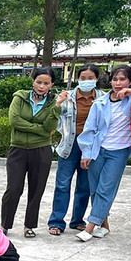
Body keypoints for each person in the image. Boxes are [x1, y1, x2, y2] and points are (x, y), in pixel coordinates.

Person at [75, 66, 131, 242]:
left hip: (119, 152)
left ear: (130, 81)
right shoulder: (100, 103)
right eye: (115, 79)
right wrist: (86, 153)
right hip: (97, 151)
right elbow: (90, 129)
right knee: (95, 190)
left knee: (106, 189)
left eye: (123, 79)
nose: (118, 83)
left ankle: (90, 227)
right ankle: (105, 225)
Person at [0, 67, 61, 238]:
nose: (42, 86)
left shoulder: (53, 102)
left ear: (51, 85)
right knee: (13, 188)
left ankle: (29, 225)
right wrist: (40, 130)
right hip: (18, 149)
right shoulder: (20, 97)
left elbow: (50, 127)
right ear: (33, 81)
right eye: (39, 82)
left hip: (41, 150)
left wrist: (56, 107)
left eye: (46, 83)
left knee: (36, 189)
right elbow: (14, 120)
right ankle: (5, 224)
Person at [48, 64, 103, 235]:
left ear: (96, 79)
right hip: (69, 146)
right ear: (77, 79)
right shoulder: (67, 97)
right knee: (62, 184)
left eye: (90, 78)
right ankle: (56, 222)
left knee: (84, 186)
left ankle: (77, 220)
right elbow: (55, 119)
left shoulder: (103, 98)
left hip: (91, 148)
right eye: (83, 78)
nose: (86, 81)